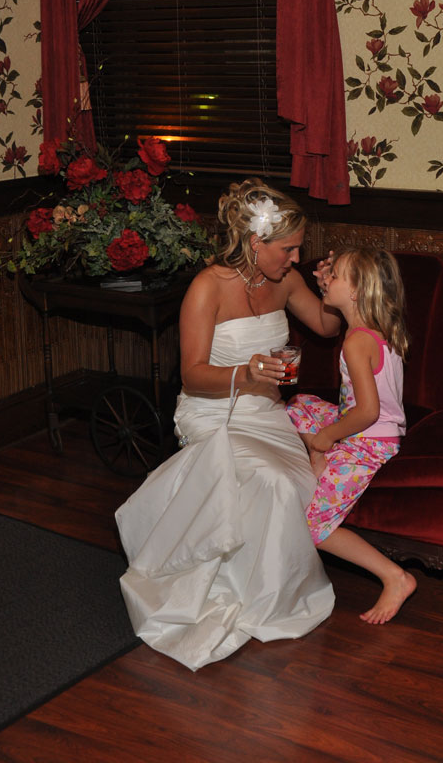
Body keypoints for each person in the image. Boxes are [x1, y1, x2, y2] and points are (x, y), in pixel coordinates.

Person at [115, 179, 341, 670]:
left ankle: (270, 590)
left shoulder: (285, 280)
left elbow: (326, 327)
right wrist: (247, 371)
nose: (296, 257)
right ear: (255, 242)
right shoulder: (207, 288)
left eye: (299, 248)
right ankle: (237, 592)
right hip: (213, 410)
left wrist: (334, 292)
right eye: (287, 248)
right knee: (270, 479)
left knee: (297, 481)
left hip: (265, 412)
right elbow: (193, 374)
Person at [287, 247, 417, 625]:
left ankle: (395, 577)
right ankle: (317, 458)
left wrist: (326, 437)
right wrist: (330, 284)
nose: (328, 280)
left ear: (357, 292)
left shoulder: (356, 342)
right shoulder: (370, 329)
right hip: (368, 429)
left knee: (312, 528)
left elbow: (367, 412)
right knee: (298, 404)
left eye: (337, 276)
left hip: (369, 441)